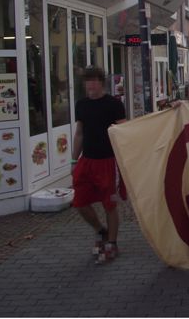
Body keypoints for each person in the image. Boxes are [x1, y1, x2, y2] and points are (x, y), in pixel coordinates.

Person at [71, 67, 126, 264]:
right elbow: (79, 133)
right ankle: (100, 231)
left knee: (109, 204)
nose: (91, 85)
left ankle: (112, 244)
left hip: (108, 161)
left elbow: (123, 132)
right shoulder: (82, 105)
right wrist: (73, 160)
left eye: (94, 81)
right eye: (88, 81)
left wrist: (124, 160)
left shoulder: (114, 104)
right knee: (80, 202)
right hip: (87, 160)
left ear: (101, 82)